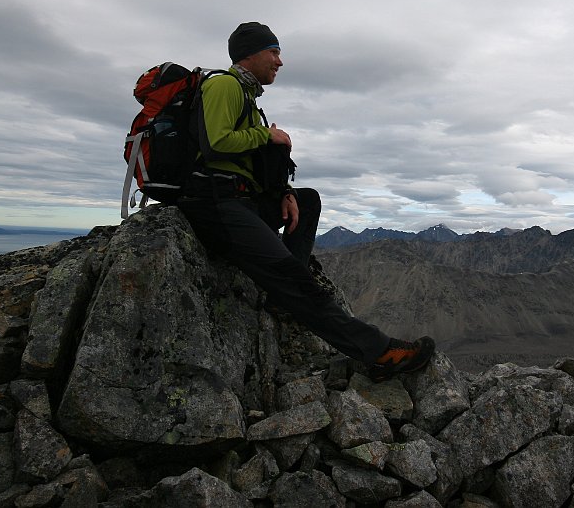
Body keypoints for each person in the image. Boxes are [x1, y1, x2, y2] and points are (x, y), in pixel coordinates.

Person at [177, 21, 434, 382]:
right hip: (215, 204)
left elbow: (248, 162)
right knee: (293, 278)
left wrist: (283, 194)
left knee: (307, 199)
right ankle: (379, 353)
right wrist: (267, 134)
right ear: (250, 55)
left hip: (240, 197)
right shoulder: (223, 85)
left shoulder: (247, 96)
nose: (280, 62)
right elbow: (217, 143)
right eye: (274, 52)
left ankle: (283, 299)